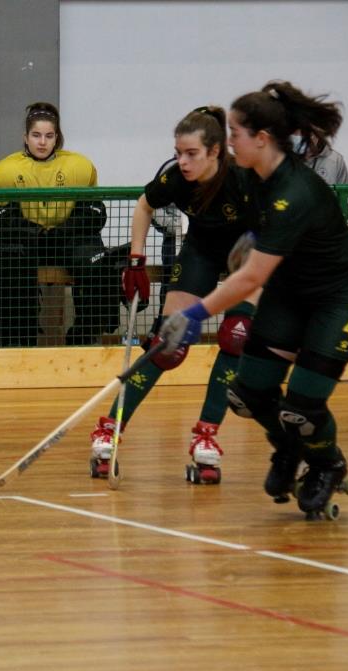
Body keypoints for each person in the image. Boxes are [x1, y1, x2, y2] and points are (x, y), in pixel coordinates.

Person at [158, 81, 348, 516]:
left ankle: (325, 463)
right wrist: (253, 234)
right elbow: (251, 225)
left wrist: (192, 315)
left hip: (339, 296)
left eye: (235, 134)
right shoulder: (250, 177)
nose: (229, 142)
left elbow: (250, 278)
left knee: (302, 405)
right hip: (291, 291)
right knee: (248, 392)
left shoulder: (294, 192)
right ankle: (288, 450)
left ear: (261, 139)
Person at [88, 107, 258, 484]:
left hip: (249, 254)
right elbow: (145, 205)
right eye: (178, 152)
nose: (181, 161)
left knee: (237, 338)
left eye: (191, 153)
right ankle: (109, 428)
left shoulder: (245, 179)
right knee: (169, 345)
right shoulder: (176, 179)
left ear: (215, 151)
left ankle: (206, 436)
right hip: (200, 250)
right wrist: (136, 258)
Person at [0, 102, 110, 347]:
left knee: (96, 259)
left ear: (57, 138)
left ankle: (84, 335)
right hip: (27, 243)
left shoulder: (80, 166)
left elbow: (96, 213)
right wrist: (32, 232)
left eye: (49, 136)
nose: (42, 142)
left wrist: (61, 232)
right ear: (25, 137)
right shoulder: (4, 170)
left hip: (66, 241)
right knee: (5, 255)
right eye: (36, 135)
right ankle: (17, 341)